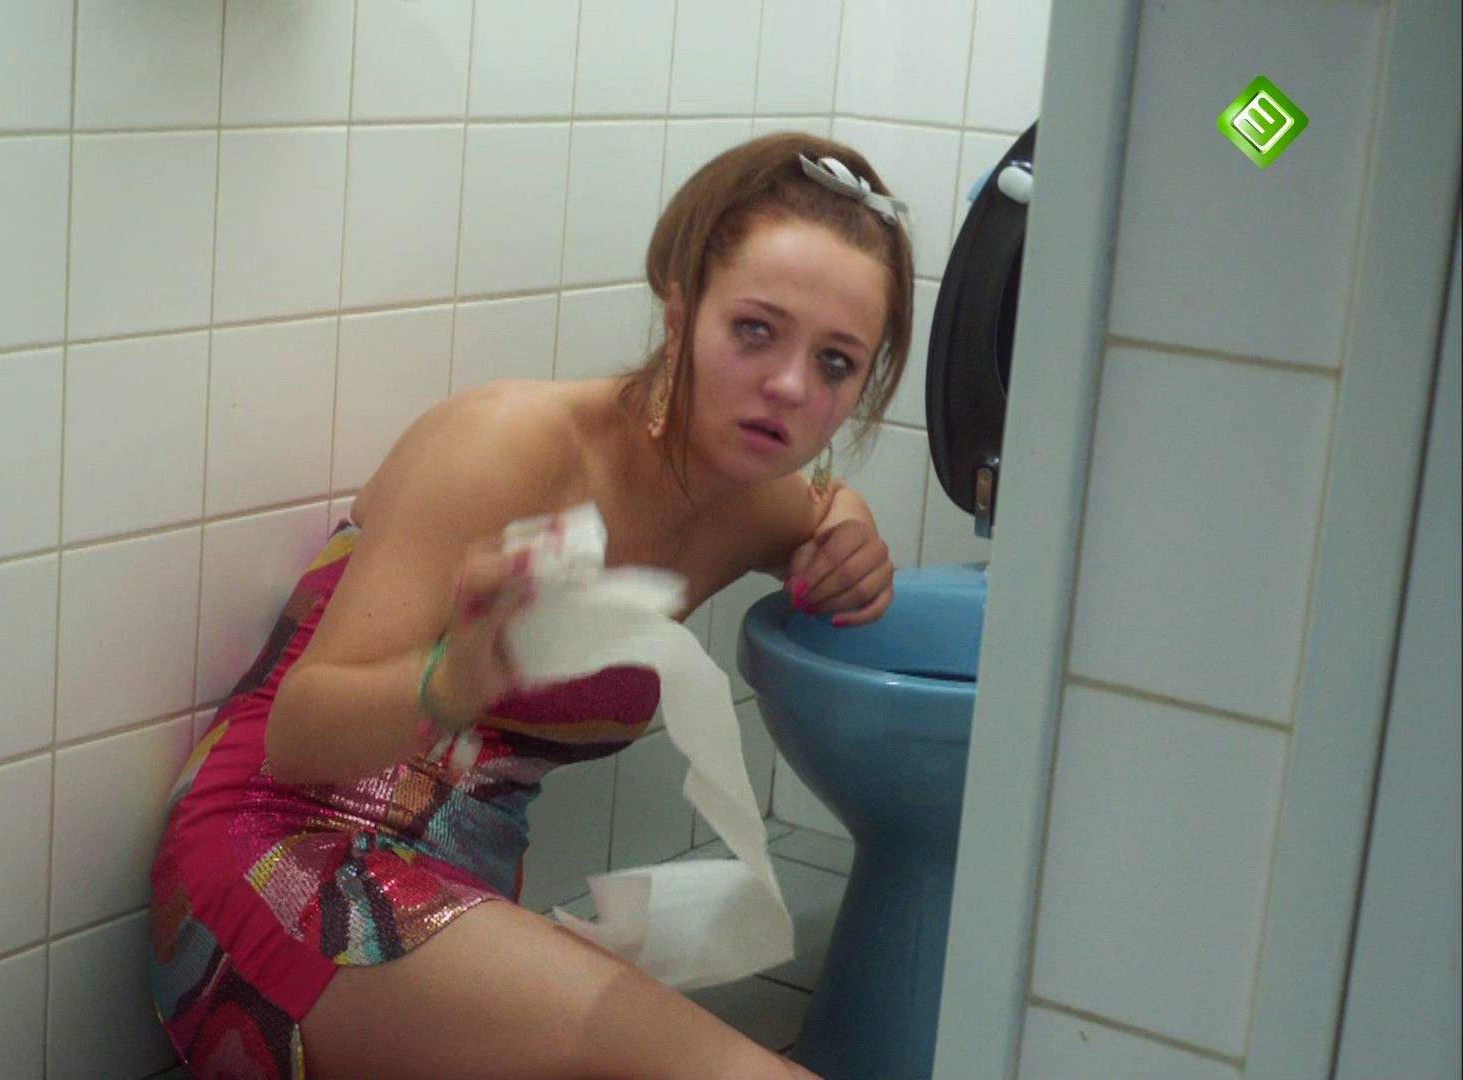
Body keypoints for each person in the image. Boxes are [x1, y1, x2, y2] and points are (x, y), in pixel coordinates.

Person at [149, 131, 914, 1080]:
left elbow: (824, 511)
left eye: (836, 363)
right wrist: (449, 681)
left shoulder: (754, 501)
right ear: (680, 314)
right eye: (755, 331)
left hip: (456, 905)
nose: (790, 385)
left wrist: (852, 529)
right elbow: (295, 736)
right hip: (282, 863)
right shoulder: (505, 443)